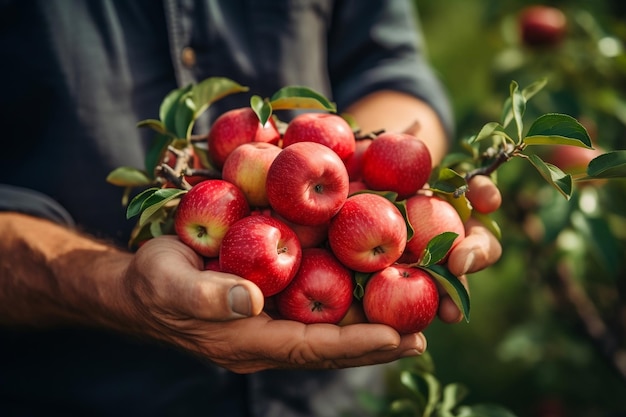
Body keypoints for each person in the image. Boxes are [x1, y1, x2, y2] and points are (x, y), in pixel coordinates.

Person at [0, 1, 502, 416]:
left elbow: (388, 68)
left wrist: (395, 178)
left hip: (335, 395)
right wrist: (112, 286)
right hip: (86, 388)